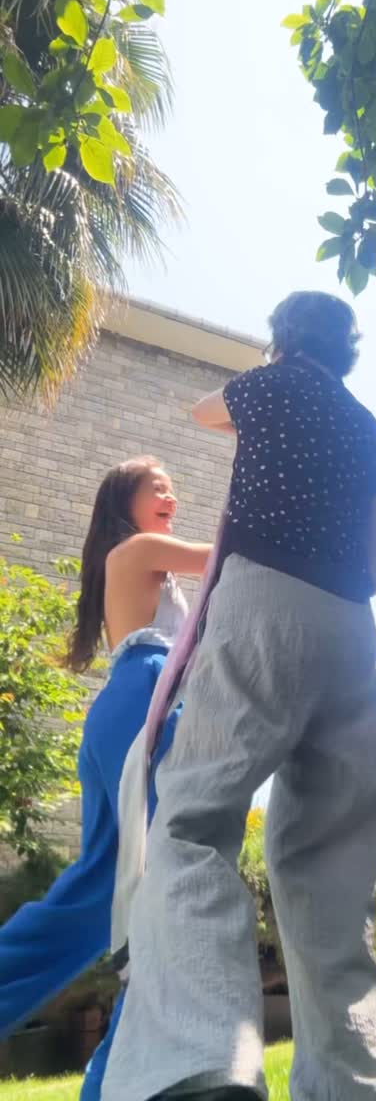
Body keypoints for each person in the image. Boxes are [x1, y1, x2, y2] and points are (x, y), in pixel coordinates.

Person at [103, 292, 376, 1101]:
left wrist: (268, 370)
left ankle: (204, 1061)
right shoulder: (368, 427)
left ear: (284, 339)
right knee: (332, 870)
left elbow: (202, 411)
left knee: (193, 820)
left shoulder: (271, 384)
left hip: (266, 603)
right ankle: (358, 1086)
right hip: (355, 636)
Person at [0, 456, 211, 1100]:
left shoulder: (141, 561)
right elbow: (225, 557)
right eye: (158, 488)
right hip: (146, 700)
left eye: (174, 488)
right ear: (125, 500)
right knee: (165, 886)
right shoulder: (141, 549)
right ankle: (120, 1081)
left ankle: (114, 1083)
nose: (172, 496)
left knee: (100, 896)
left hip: (129, 708)